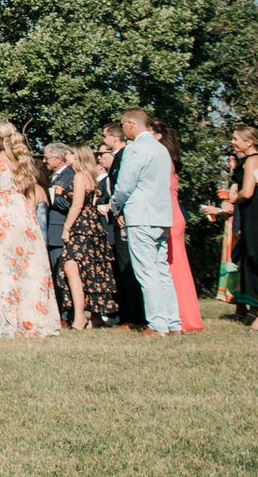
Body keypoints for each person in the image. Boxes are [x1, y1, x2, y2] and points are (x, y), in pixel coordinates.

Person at [0, 122, 60, 338]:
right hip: (24, 216)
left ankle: (8, 319)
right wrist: (27, 216)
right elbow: (31, 197)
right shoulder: (23, 162)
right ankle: (34, 317)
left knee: (3, 268)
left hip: (2, 216)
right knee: (30, 269)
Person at [109, 110, 181, 336]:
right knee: (161, 270)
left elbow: (125, 183)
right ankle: (173, 322)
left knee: (145, 270)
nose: (123, 130)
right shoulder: (161, 149)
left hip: (141, 214)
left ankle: (157, 323)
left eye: (123, 125)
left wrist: (114, 205)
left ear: (131, 124)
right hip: (161, 214)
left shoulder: (136, 149)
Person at [223, 126, 258, 330]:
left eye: (236, 138)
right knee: (252, 259)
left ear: (249, 142)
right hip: (250, 216)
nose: (233, 142)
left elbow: (247, 192)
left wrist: (232, 200)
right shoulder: (248, 161)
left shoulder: (254, 160)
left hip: (257, 216)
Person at [152, 122, 205, 333]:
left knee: (173, 266)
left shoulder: (164, 159)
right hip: (173, 212)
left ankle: (183, 316)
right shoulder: (169, 158)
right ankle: (180, 315)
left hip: (169, 213)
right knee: (174, 264)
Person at [60, 145, 117, 329]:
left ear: (76, 156)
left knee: (72, 269)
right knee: (91, 270)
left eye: (68, 154)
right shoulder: (90, 177)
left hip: (80, 226)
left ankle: (78, 317)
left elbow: (77, 205)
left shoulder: (78, 177)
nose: (65, 156)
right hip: (93, 225)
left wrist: (66, 227)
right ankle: (95, 316)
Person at [97, 124, 142, 329]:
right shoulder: (119, 156)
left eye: (105, 136)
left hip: (124, 215)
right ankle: (127, 314)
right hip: (118, 216)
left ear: (114, 137)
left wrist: (119, 210)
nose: (103, 139)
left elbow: (125, 185)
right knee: (122, 265)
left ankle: (133, 316)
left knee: (127, 266)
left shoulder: (125, 155)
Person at [42, 143, 74, 323]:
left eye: (47, 158)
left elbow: (70, 204)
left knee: (60, 271)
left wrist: (54, 197)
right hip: (50, 228)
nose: (45, 161)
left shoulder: (69, 176)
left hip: (59, 227)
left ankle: (65, 313)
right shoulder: (52, 176)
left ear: (58, 159)